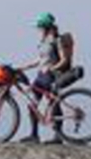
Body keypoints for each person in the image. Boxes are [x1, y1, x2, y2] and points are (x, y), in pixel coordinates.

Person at [16, 12, 78, 143]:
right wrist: (23, 67)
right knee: (32, 105)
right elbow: (40, 60)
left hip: (51, 76)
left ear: (45, 26)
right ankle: (34, 135)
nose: (38, 29)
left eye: (40, 27)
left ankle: (58, 136)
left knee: (53, 104)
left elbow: (64, 60)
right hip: (40, 77)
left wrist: (53, 68)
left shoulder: (57, 40)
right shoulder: (43, 41)